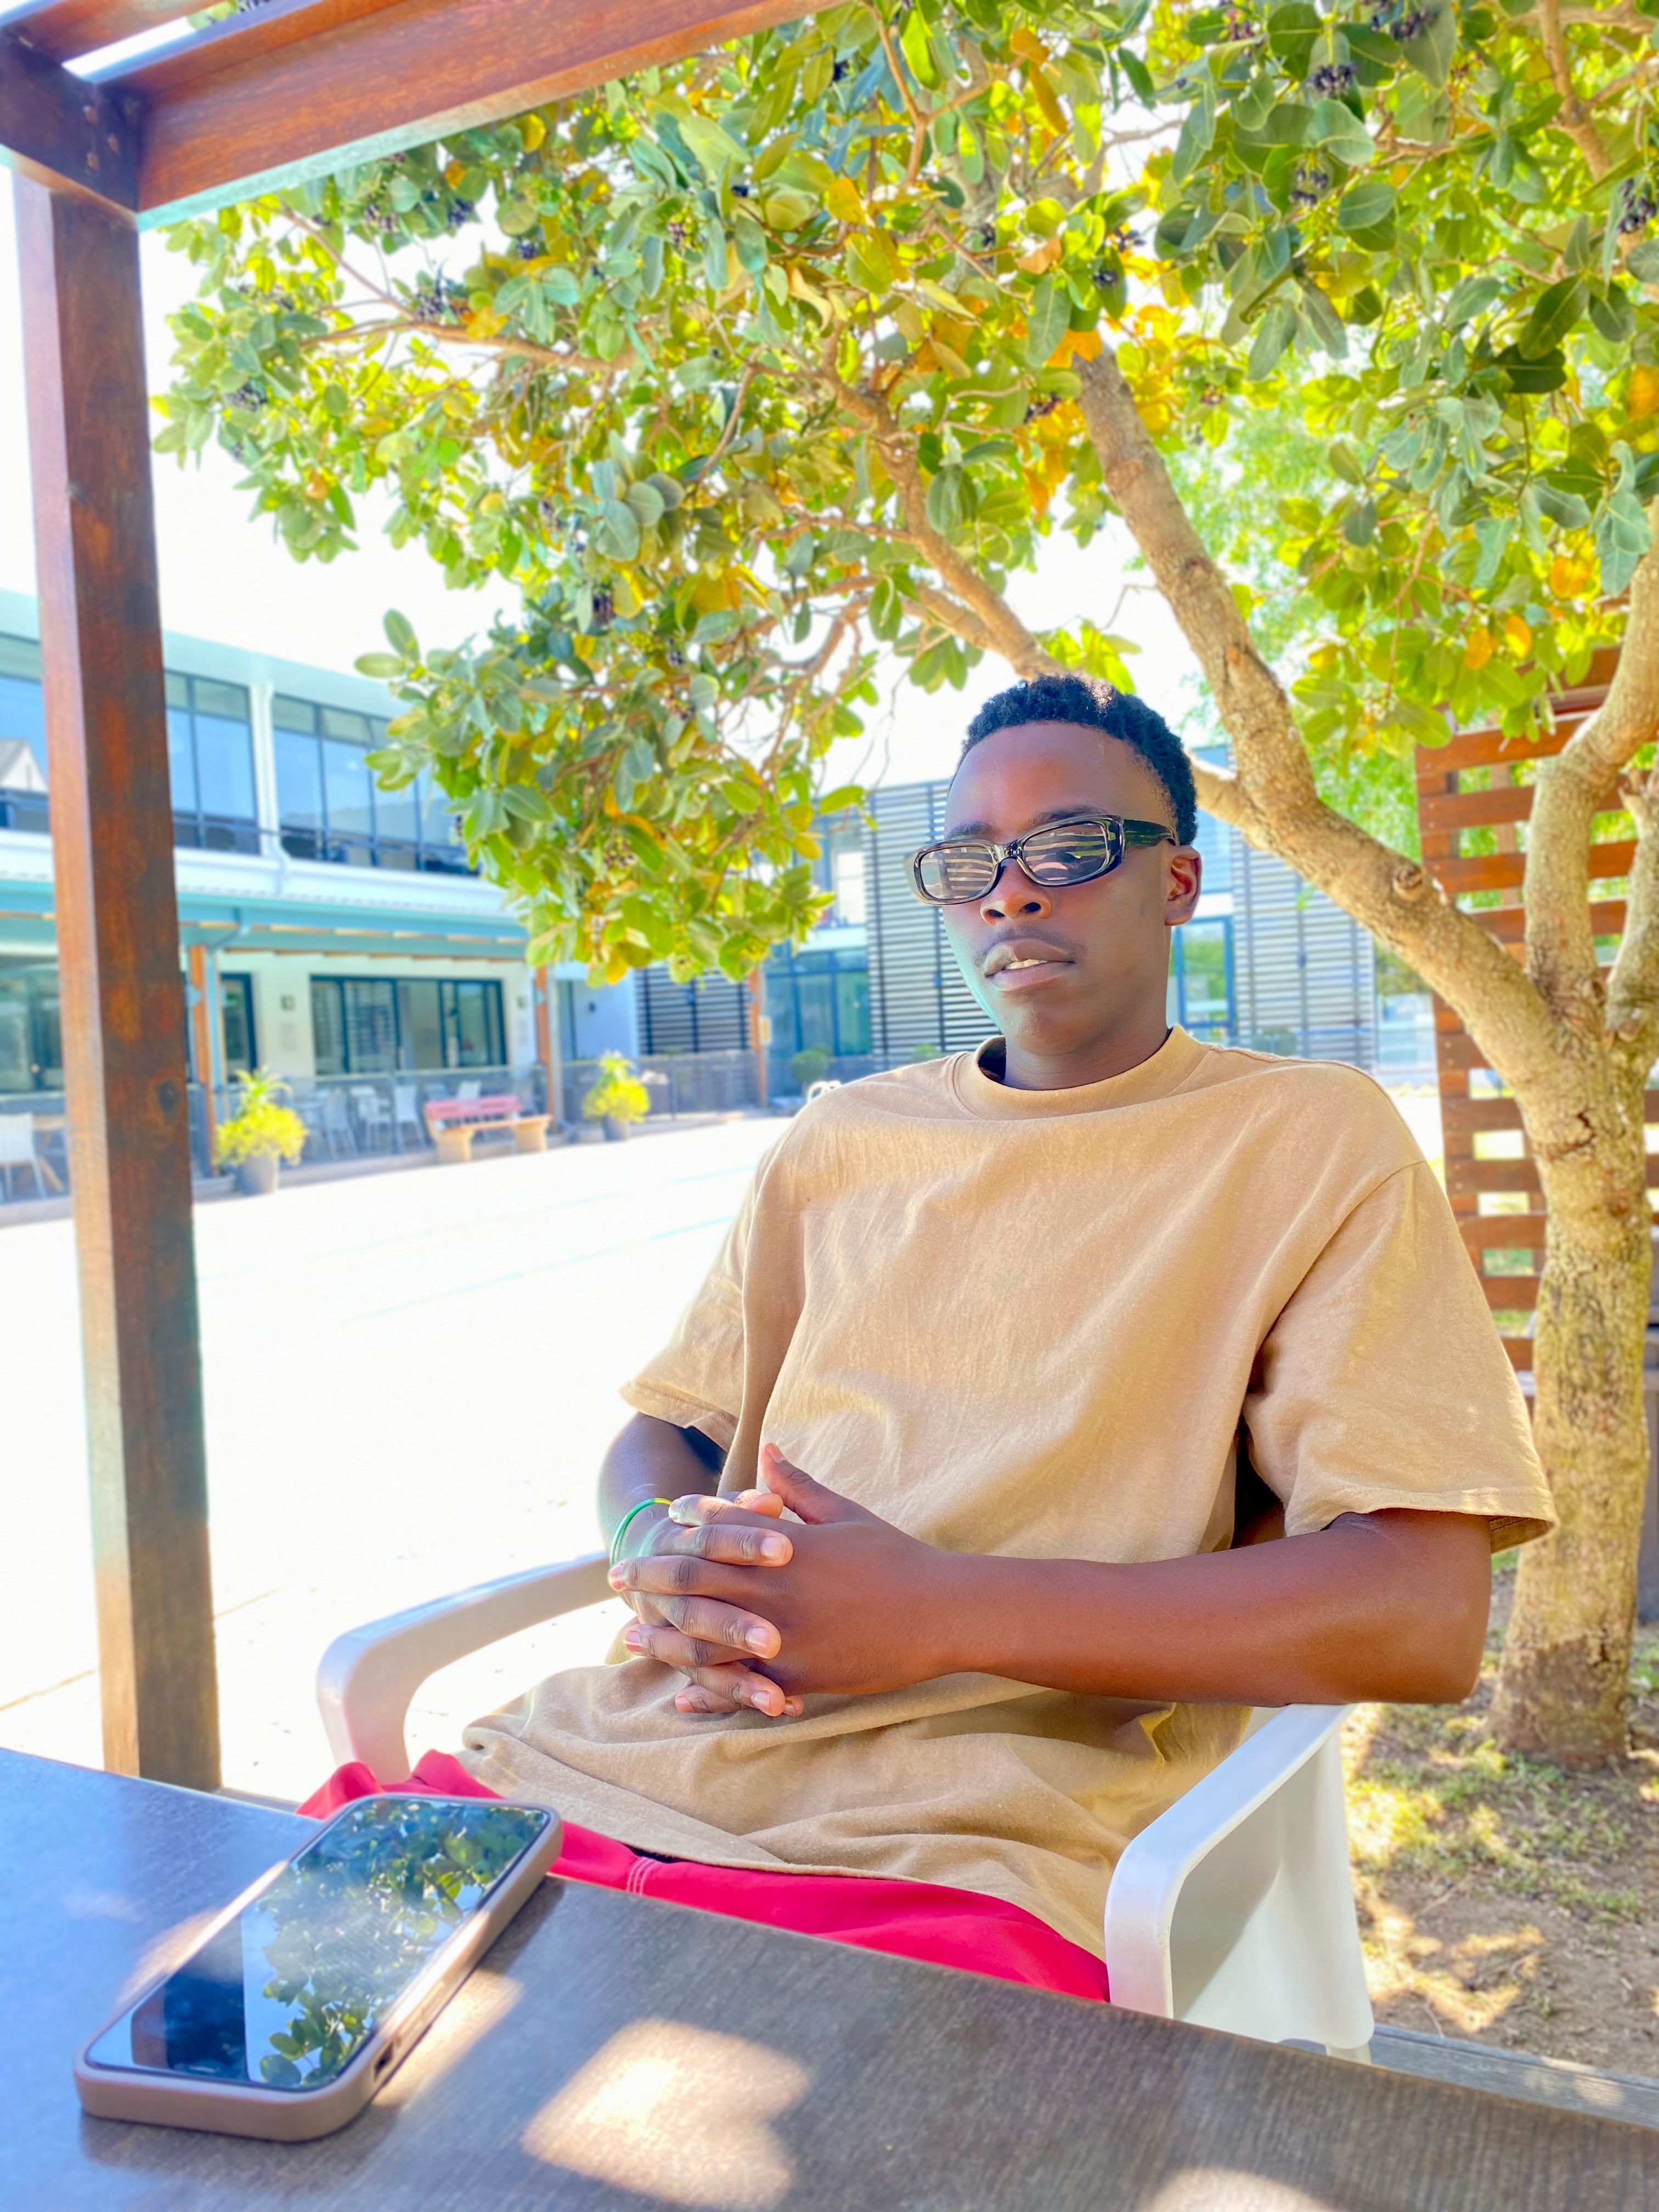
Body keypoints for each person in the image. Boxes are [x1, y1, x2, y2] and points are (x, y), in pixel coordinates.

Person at [308, 675, 1553, 2000]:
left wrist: (937, 1615)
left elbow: (1421, 1615)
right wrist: (653, 1552)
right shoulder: (845, 1137)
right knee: (253, 2078)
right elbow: (669, 1433)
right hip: (595, 1767)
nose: (1011, 894)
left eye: (1069, 848)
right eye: (970, 862)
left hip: (968, 1852)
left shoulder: (1309, 1142)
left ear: (1180, 881)